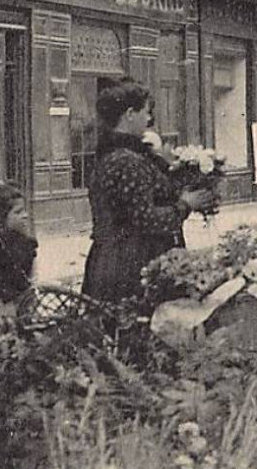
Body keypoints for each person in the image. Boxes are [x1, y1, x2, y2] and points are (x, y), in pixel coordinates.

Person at [81, 79, 213, 302]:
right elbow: (145, 218)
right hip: (133, 263)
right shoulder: (127, 161)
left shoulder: (118, 154)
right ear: (130, 114)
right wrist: (186, 204)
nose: (149, 119)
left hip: (117, 258)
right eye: (146, 112)